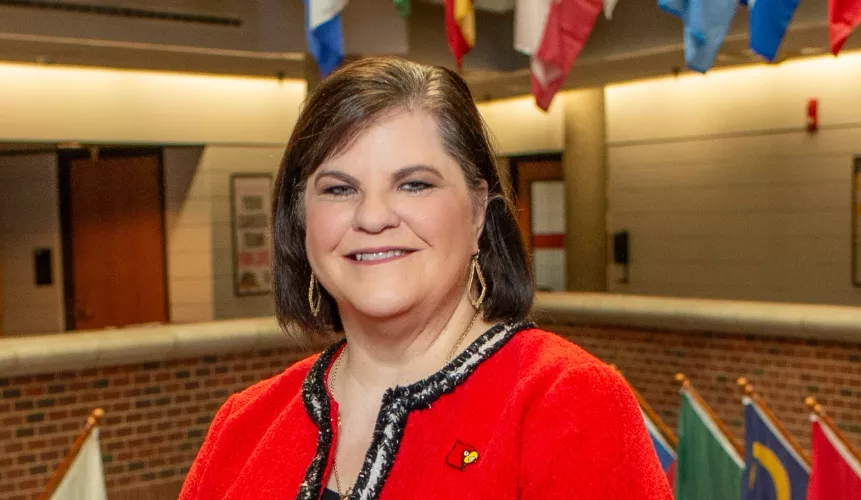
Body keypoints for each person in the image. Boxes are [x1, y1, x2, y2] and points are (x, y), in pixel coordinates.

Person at [179, 57, 673, 500]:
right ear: (300, 219)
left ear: (479, 209)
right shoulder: (244, 425)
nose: (373, 217)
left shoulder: (567, 401)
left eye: (414, 184)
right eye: (338, 188)